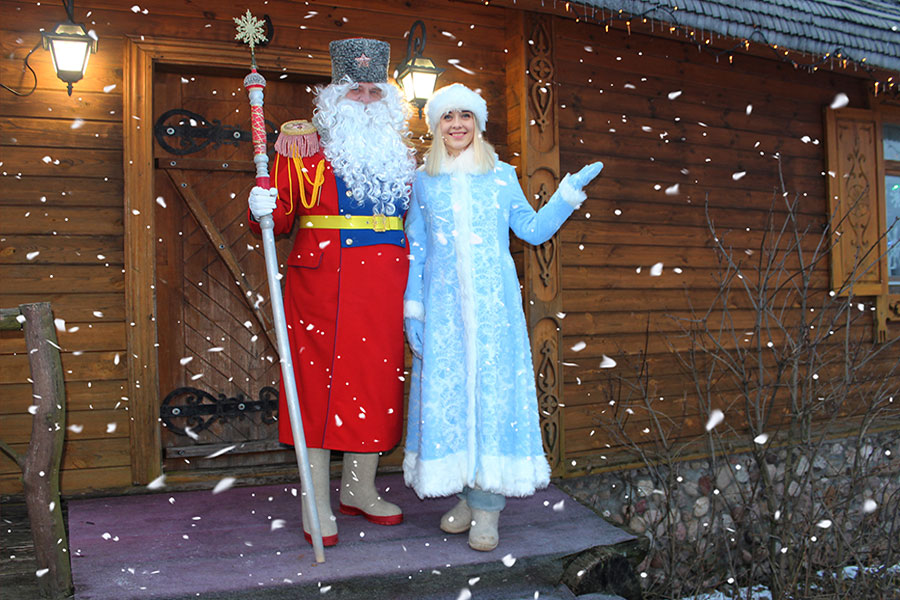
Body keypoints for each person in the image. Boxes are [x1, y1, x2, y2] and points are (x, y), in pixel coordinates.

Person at [402, 83, 603, 552]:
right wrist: (414, 308)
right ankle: (467, 496)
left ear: (478, 123)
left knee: (490, 399)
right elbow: (417, 248)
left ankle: (488, 506)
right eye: (448, 116)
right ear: (436, 125)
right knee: (453, 399)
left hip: (494, 311)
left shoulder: (501, 175)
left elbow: (532, 230)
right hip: (445, 313)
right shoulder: (423, 181)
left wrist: (566, 195)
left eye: (465, 116)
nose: (457, 124)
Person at [247, 38, 416, 547]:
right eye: (354, 90)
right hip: (322, 287)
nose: (365, 98)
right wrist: (261, 205)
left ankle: (359, 490)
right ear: (333, 97)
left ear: (388, 99)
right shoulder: (301, 148)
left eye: (374, 90)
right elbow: (279, 220)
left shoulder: (401, 156)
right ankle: (315, 502)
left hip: (384, 288)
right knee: (317, 390)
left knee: (374, 385)